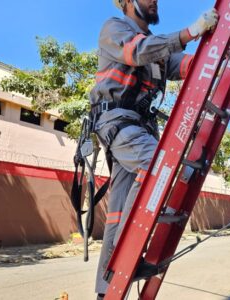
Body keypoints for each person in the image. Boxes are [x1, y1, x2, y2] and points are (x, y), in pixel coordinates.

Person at [90, 0, 218, 298]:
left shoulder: (159, 53)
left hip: (139, 127)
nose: (155, 1)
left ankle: (105, 289)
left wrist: (216, 49)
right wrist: (191, 32)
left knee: (117, 214)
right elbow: (137, 51)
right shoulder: (115, 28)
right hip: (117, 122)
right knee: (159, 166)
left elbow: (187, 65)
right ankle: (127, 259)